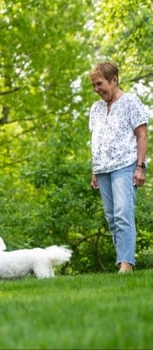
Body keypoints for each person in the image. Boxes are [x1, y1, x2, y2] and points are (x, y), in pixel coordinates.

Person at [89, 61, 149, 273]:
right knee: (112, 217)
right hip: (103, 168)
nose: (97, 90)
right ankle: (122, 260)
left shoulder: (131, 102)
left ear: (114, 80)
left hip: (126, 164)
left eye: (99, 84)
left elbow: (142, 135)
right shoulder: (95, 109)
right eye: (93, 86)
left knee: (123, 212)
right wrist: (95, 171)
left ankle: (126, 264)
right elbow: (95, 140)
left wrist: (140, 167)